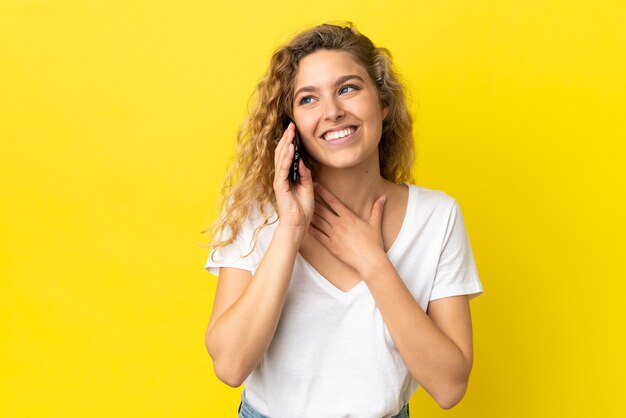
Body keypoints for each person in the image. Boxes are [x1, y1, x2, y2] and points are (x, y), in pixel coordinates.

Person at [204, 22, 483, 418]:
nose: (332, 112)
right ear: (292, 125)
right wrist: (290, 229)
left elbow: (450, 386)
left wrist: (372, 261)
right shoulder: (257, 212)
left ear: (383, 103)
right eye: (308, 99)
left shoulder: (437, 217)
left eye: (348, 88)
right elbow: (230, 366)